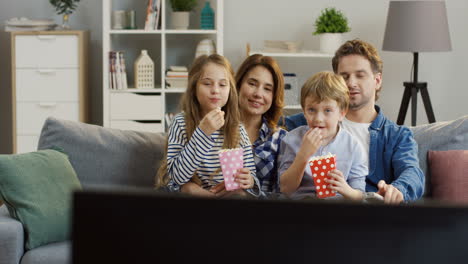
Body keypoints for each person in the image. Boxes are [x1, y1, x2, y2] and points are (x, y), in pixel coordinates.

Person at [284, 39, 424, 204]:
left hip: (365, 216)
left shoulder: (396, 135)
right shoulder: (305, 122)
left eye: (360, 75)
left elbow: (413, 172)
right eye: (344, 76)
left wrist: (398, 189)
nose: (351, 83)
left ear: (377, 81)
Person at [182, 54, 287, 197]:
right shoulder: (207, 125)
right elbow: (175, 178)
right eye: (252, 83)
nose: (258, 94)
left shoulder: (280, 139)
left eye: (267, 89)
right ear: (236, 85)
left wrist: (246, 192)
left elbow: (282, 195)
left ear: (274, 96)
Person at [155, 54, 260, 197]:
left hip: (225, 198)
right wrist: (203, 133)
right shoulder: (180, 123)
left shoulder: (237, 129)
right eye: (207, 83)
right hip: (191, 199)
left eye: (222, 84)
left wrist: (249, 180)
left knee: (240, 194)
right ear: (194, 87)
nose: (215, 90)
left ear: (230, 90)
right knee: (188, 189)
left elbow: (251, 177)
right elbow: (177, 178)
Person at [278, 71, 367, 200]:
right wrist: (303, 155)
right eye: (311, 110)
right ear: (304, 111)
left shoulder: (353, 146)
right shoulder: (291, 140)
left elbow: (360, 196)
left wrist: (346, 189)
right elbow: (285, 189)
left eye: (328, 111)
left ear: (342, 113)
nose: (318, 119)